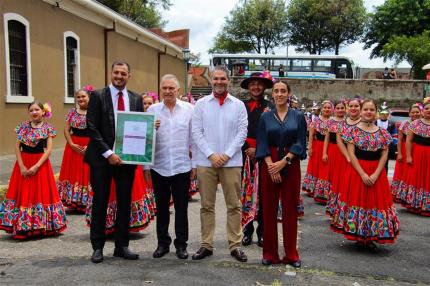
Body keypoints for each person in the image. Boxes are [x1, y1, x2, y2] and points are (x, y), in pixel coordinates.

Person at [84, 61, 142, 263]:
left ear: (129, 76)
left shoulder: (136, 98)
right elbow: (91, 128)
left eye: (123, 73)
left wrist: (152, 126)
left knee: (125, 203)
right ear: (111, 73)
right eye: (116, 72)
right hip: (102, 159)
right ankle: (97, 247)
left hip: (126, 160)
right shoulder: (98, 96)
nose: (119, 76)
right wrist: (109, 153)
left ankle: (122, 246)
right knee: (100, 201)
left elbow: (139, 126)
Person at [191, 65, 248, 262]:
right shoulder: (201, 104)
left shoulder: (238, 105)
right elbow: (196, 132)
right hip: (206, 162)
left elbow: (242, 133)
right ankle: (206, 244)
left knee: (234, 205)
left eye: (223, 79)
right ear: (211, 80)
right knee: (207, 206)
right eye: (216, 79)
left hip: (231, 162)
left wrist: (226, 154)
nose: (219, 82)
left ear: (228, 81)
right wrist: (211, 154)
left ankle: (235, 245)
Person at [330, 99, 400, 249]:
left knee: (374, 202)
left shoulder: (383, 133)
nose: (368, 112)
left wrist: (375, 174)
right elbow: (351, 154)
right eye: (366, 109)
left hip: (377, 173)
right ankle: (358, 234)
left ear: (376, 112)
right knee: (358, 200)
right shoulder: (352, 131)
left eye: (371, 110)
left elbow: (384, 155)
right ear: (361, 111)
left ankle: (371, 236)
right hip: (357, 171)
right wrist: (362, 174)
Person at [256, 80, 307, 267]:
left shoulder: (298, 116)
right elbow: (261, 142)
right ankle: (270, 253)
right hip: (269, 164)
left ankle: (291, 254)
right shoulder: (265, 117)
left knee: (290, 210)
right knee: (268, 210)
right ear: (272, 95)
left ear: (288, 93)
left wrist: (283, 162)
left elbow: (301, 142)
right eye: (276, 91)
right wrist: (271, 166)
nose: (279, 94)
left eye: (283, 91)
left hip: (290, 164)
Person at [145, 74, 195, 260]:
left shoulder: (189, 109)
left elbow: (194, 139)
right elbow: (146, 140)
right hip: (159, 166)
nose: (167, 91)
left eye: (171, 88)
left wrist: (195, 164)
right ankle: (162, 244)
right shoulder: (152, 110)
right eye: (164, 88)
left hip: (182, 166)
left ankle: (181, 245)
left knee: (182, 208)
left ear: (178, 90)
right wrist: (145, 167)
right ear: (160, 90)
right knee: (162, 208)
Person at [0, 102, 67, 239]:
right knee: (24, 192)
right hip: (23, 163)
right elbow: (17, 148)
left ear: (43, 112)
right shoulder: (22, 127)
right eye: (31, 110)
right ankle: (23, 226)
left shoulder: (48, 128)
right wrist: (22, 167)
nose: (34, 112)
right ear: (28, 112)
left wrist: (36, 166)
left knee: (40, 193)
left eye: (37, 109)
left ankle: (41, 226)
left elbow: (48, 150)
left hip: (41, 164)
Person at [239, 72, 273, 248]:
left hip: (264, 156)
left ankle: (262, 232)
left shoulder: (271, 107)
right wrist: (247, 149)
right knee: (245, 194)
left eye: (259, 84)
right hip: (244, 155)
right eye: (252, 84)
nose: (256, 87)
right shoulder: (240, 106)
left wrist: (258, 149)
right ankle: (247, 231)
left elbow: (275, 133)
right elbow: (235, 130)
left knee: (263, 196)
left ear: (264, 87)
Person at [57, 86, 92, 212]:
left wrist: (91, 145)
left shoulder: (95, 111)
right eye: (78, 97)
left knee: (86, 172)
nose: (81, 99)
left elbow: (98, 130)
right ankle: (72, 201)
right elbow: (66, 129)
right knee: (73, 171)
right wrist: (71, 143)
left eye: (83, 96)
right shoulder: (72, 112)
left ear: (89, 97)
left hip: (89, 145)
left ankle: (86, 202)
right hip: (73, 146)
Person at [326, 98, 361, 217]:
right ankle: (339, 211)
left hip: (360, 158)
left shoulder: (364, 123)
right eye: (351, 106)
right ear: (348, 108)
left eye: (356, 106)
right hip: (344, 158)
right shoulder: (342, 124)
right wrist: (348, 157)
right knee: (341, 183)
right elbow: (339, 141)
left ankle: (355, 212)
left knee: (356, 186)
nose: (353, 108)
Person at [401, 99, 430, 216]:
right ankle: (415, 204)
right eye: (427, 108)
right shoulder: (415, 124)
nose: (429, 111)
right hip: (418, 153)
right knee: (416, 177)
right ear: (423, 111)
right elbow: (408, 140)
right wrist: (408, 155)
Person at [302, 100, 332, 203]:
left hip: (328, 147)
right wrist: (310, 148)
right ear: (321, 109)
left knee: (325, 168)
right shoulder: (316, 121)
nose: (327, 109)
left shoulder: (333, 122)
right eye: (325, 107)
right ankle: (312, 188)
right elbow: (310, 135)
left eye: (329, 108)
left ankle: (322, 189)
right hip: (317, 145)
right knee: (315, 166)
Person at [391, 104, 421, 202]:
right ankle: (398, 194)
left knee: (412, 173)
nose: (415, 114)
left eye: (417, 112)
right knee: (402, 172)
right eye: (413, 112)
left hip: (416, 150)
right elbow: (399, 140)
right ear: (409, 114)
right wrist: (399, 153)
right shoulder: (405, 124)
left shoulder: (422, 124)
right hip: (404, 149)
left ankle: (409, 194)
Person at [322, 100, 346, 214]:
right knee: (331, 174)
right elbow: (326, 138)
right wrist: (324, 152)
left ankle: (341, 197)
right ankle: (331, 197)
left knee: (342, 175)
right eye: (338, 108)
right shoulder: (330, 122)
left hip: (344, 151)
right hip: (332, 150)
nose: (340, 110)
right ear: (334, 109)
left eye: (342, 108)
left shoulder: (347, 121)